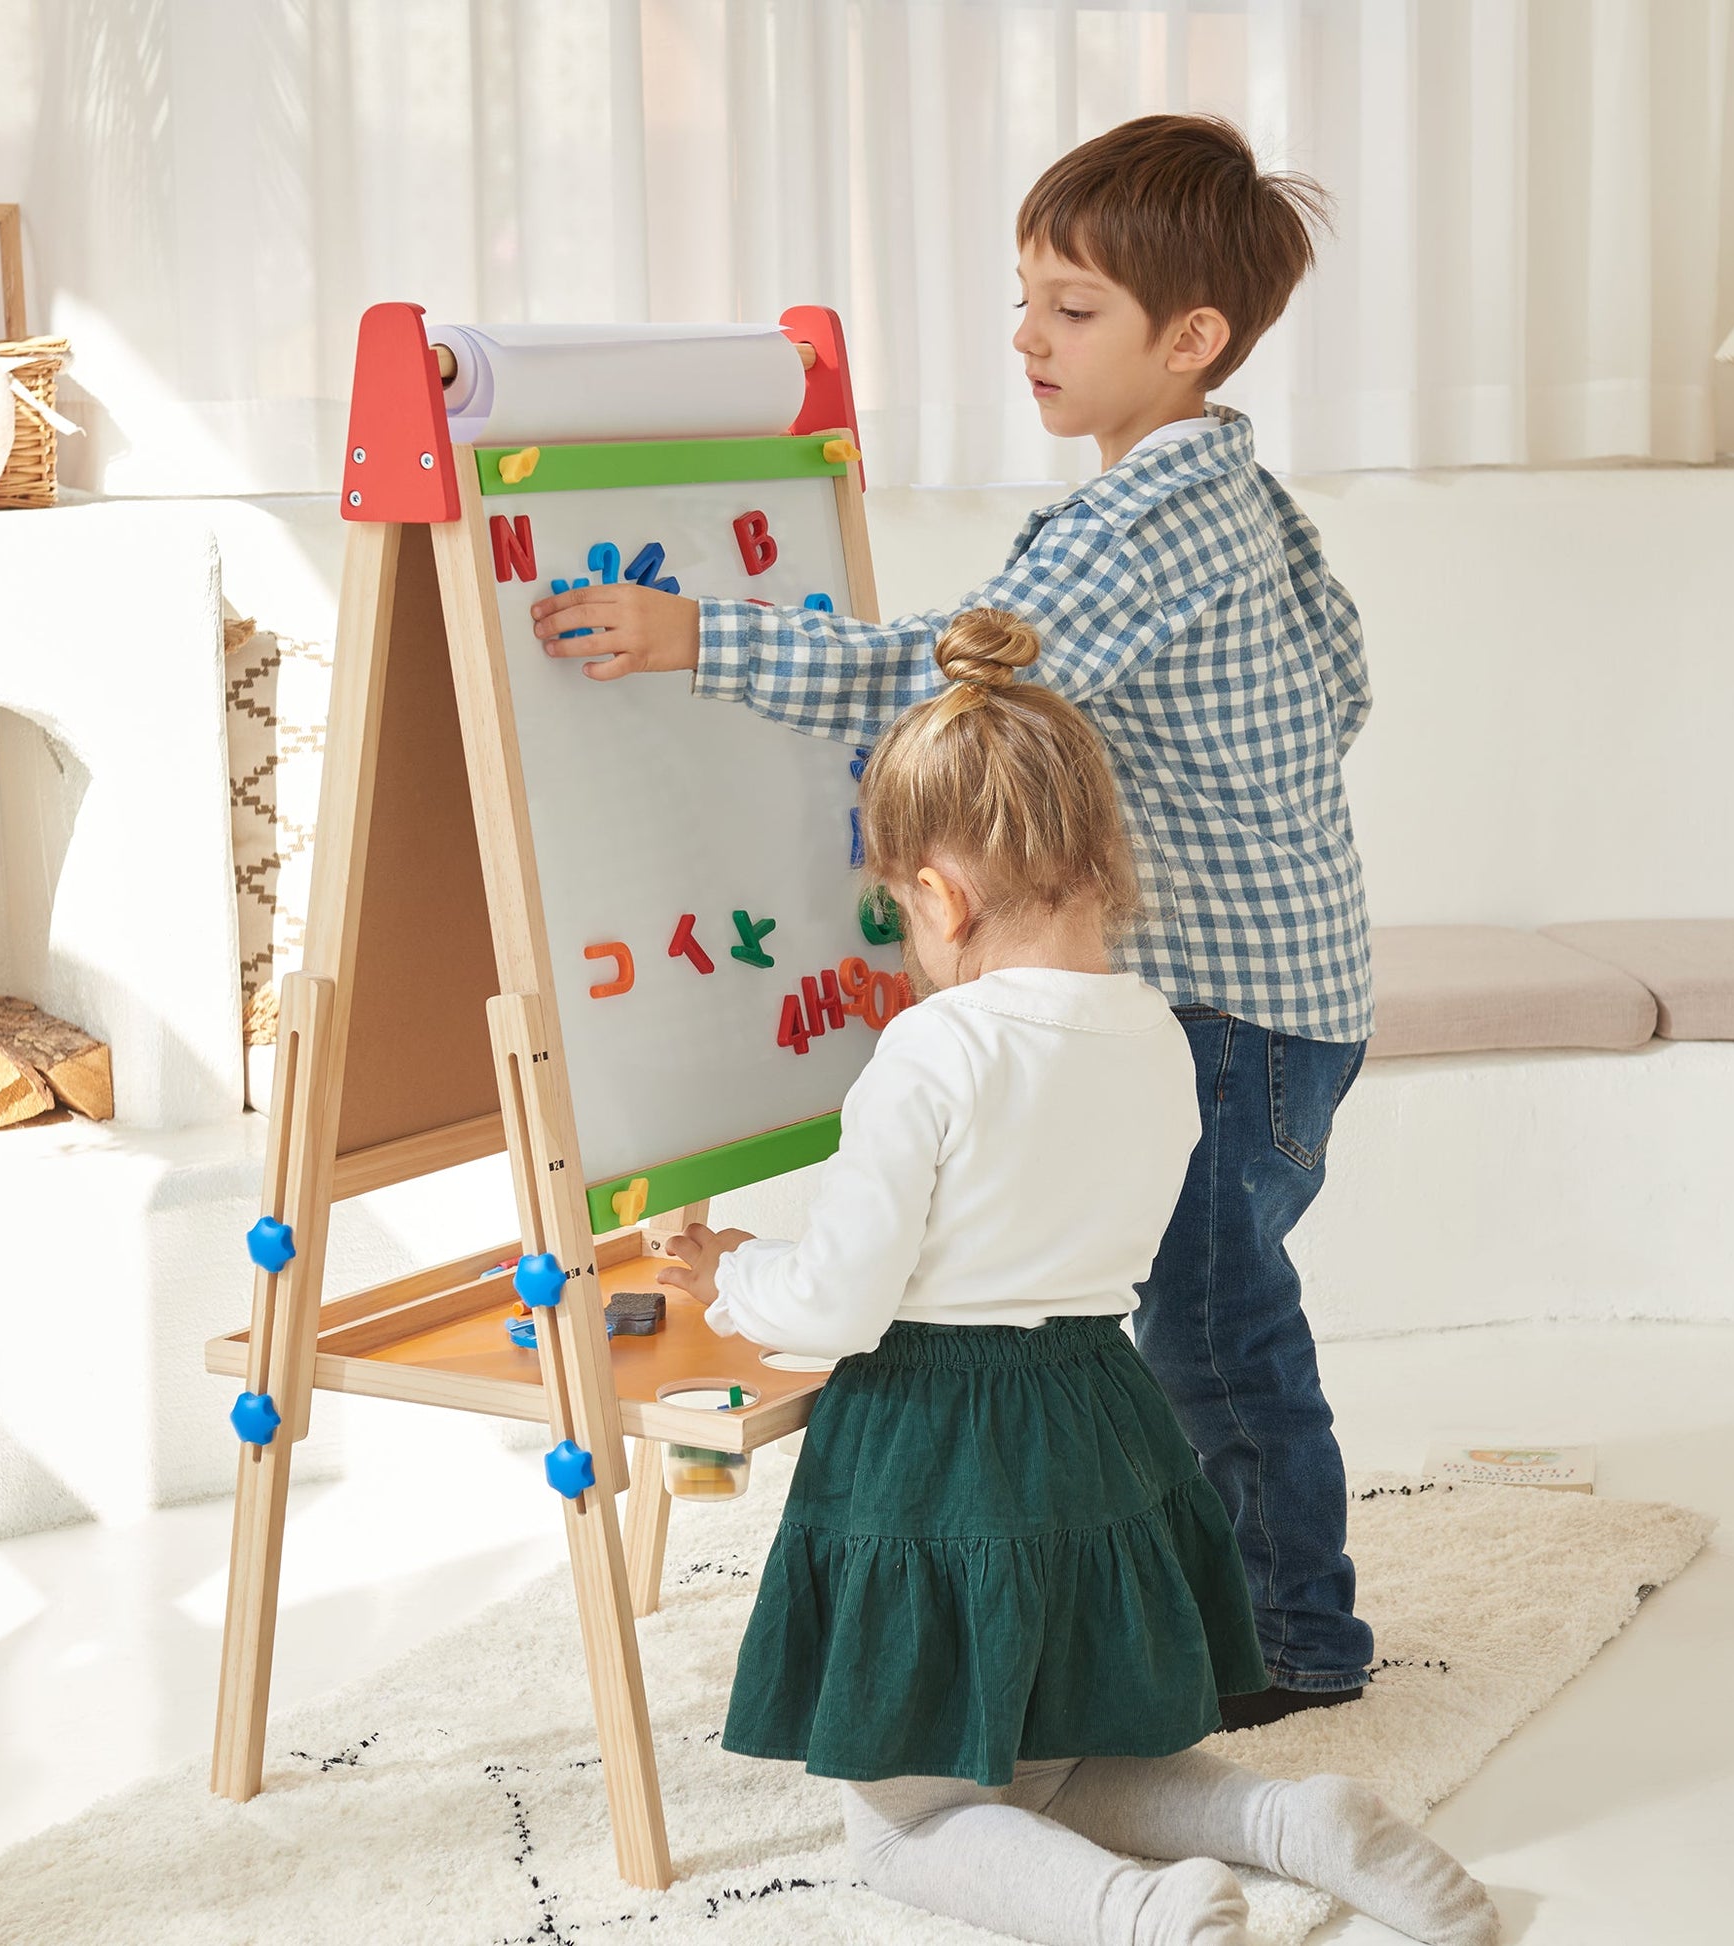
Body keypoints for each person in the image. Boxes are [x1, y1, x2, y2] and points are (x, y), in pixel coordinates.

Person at [533, 114, 1376, 1720]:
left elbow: (953, 674)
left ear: (1189, 338)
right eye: (1024, 297)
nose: (1025, 336)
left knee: (1212, 1329)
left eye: (1071, 307)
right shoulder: (1236, 491)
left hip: (1230, 1009)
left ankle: (1292, 1639)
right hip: (1288, 993)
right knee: (1199, 1309)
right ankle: (1227, 1603)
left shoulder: (1149, 522)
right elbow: (1342, 685)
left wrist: (698, 635)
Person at [654, 610, 1495, 1946]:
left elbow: (836, 1306)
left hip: (943, 1446)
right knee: (1055, 1765)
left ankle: (1133, 1909)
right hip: (1099, 1419)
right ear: (1104, 860)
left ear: (938, 897)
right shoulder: (1156, 1031)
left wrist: (733, 1274)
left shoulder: (933, 1051)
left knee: (906, 1819)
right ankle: (1296, 1823)